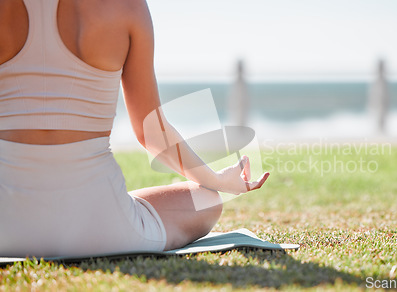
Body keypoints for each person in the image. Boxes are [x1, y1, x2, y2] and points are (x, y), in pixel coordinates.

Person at [0, 0, 269, 257]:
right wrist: (218, 181)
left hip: (6, 226)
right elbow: (152, 133)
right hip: (102, 228)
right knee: (208, 200)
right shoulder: (127, 6)